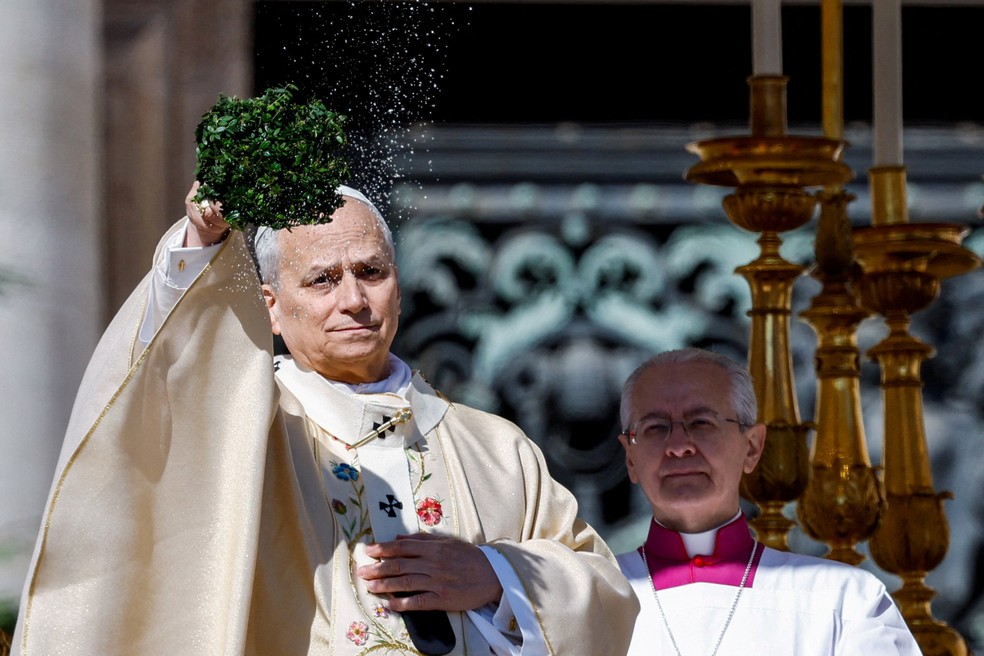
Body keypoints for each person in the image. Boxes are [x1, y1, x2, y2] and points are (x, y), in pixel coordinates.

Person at [12, 182, 638, 656]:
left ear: (398, 284)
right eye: (322, 280)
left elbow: (606, 591)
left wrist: (496, 576)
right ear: (270, 307)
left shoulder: (495, 448)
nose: (353, 300)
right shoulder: (245, 431)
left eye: (371, 272)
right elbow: (157, 391)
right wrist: (200, 242)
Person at [615, 347, 921, 655]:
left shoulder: (846, 600)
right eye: (655, 428)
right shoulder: (594, 594)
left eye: (701, 423)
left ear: (752, 447)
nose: (678, 446)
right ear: (630, 457)